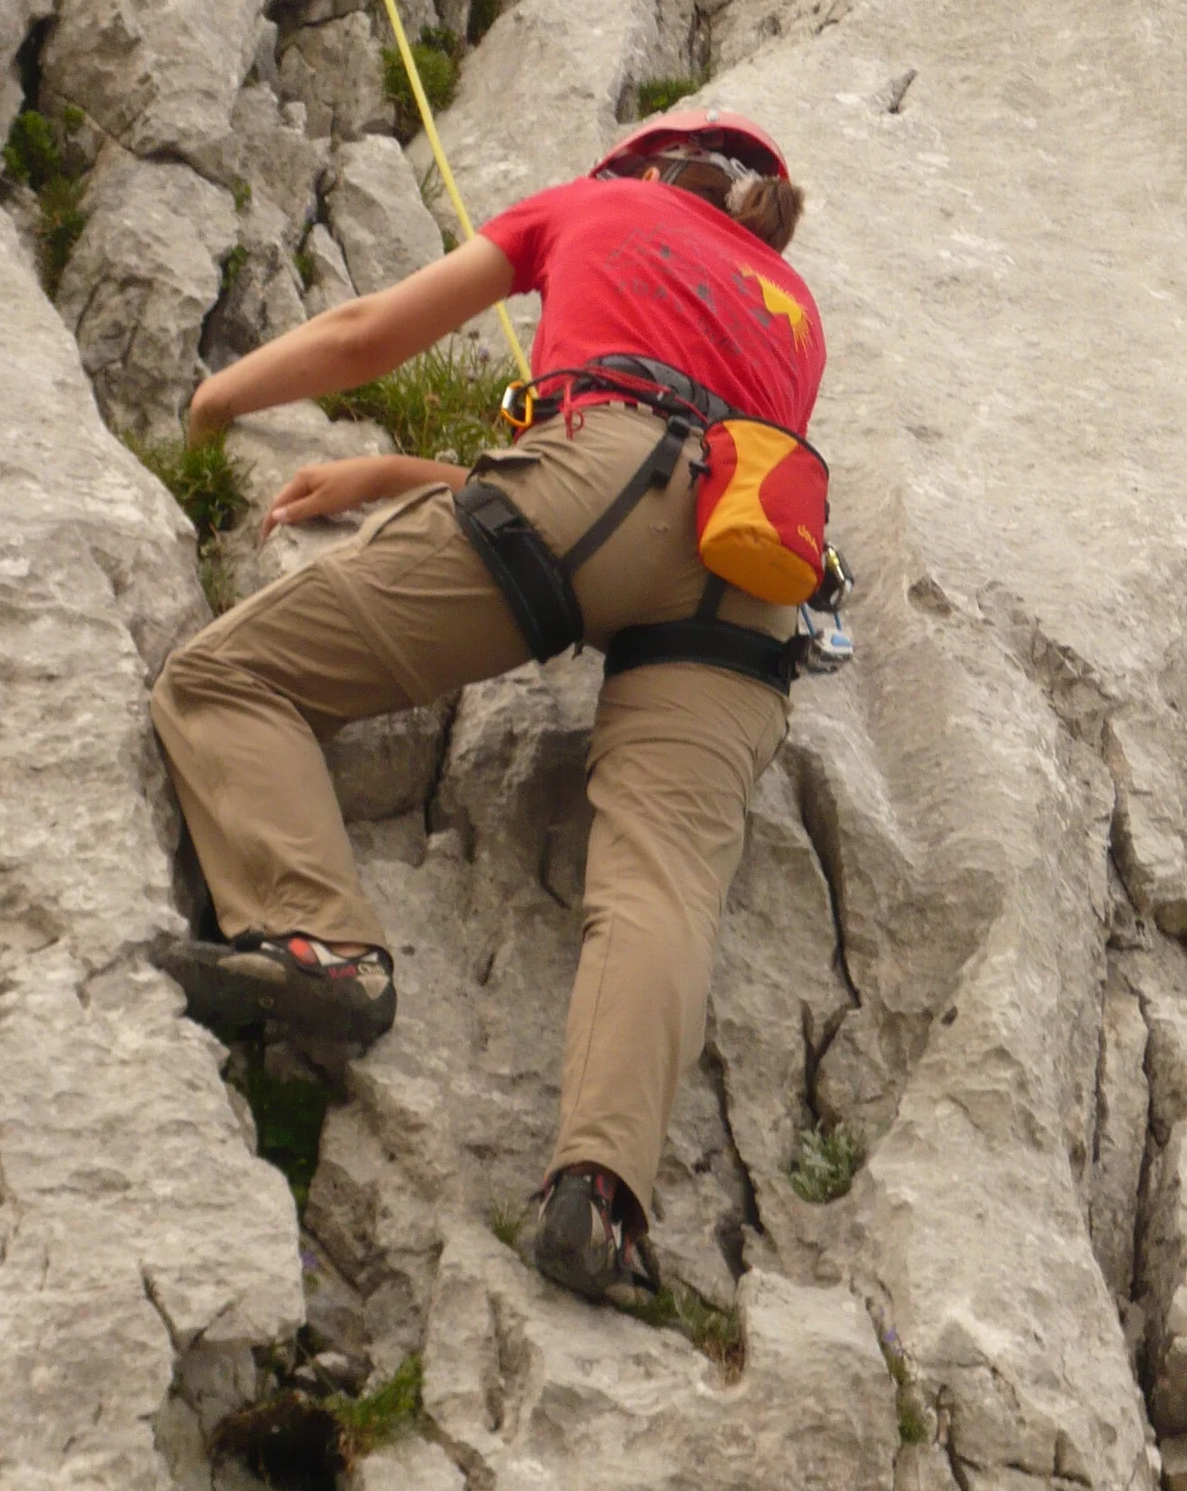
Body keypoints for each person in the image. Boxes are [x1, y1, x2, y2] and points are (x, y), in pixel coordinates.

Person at [149, 105, 824, 1303]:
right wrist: (409, 477)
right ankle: (599, 1198)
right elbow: (672, 489)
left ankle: (323, 943)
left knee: (226, 678)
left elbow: (367, 337)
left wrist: (212, 408)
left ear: (643, 167)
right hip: (756, 571)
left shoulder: (592, 203)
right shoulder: (791, 312)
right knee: (661, 876)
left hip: (596, 487)